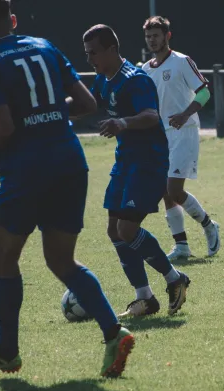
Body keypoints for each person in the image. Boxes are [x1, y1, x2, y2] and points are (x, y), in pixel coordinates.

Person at [0, 0, 133, 377]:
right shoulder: (44, 45)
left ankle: (6, 350)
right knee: (61, 260)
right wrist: (48, 110)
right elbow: (87, 102)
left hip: (28, 170)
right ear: (13, 19)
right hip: (70, 163)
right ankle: (113, 333)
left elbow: (4, 127)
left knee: (4, 253)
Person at [83, 24, 190, 318]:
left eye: (94, 53)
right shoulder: (105, 80)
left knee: (127, 229)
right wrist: (49, 110)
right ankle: (145, 298)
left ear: (112, 50)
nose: (90, 59)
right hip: (125, 162)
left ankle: (174, 278)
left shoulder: (135, 79)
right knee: (113, 229)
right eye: (86, 53)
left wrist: (123, 123)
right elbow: (88, 104)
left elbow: (151, 115)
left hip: (149, 163)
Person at [140, 16, 220, 261]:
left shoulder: (182, 61)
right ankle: (182, 246)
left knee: (174, 189)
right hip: (159, 135)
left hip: (183, 132)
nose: (152, 40)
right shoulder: (145, 69)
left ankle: (209, 225)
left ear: (167, 36)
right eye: (148, 36)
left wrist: (185, 114)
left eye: (156, 35)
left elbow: (205, 91)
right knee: (166, 191)